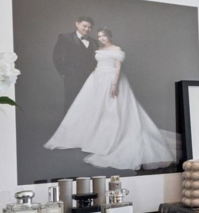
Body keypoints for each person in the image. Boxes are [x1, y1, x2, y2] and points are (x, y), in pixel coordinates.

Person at [44, 27, 175, 170]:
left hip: (111, 79)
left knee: (112, 107)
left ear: (109, 36)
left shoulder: (117, 49)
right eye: (99, 36)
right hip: (96, 79)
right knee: (93, 108)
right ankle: (92, 136)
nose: (101, 38)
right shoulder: (98, 48)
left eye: (104, 36)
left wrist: (114, 84)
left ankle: (111, 137)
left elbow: (118, 68)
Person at [52, 15, 99, 111]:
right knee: (71, 102)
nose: (87, 29)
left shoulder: (94, 42)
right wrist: (64, 73)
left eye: (90, 27)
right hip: (72, 77)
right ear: (77, 24)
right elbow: (57, 56)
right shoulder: (65, 37)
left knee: (88, 103)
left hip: (90, 78)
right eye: (84, 26)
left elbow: (96, 60)